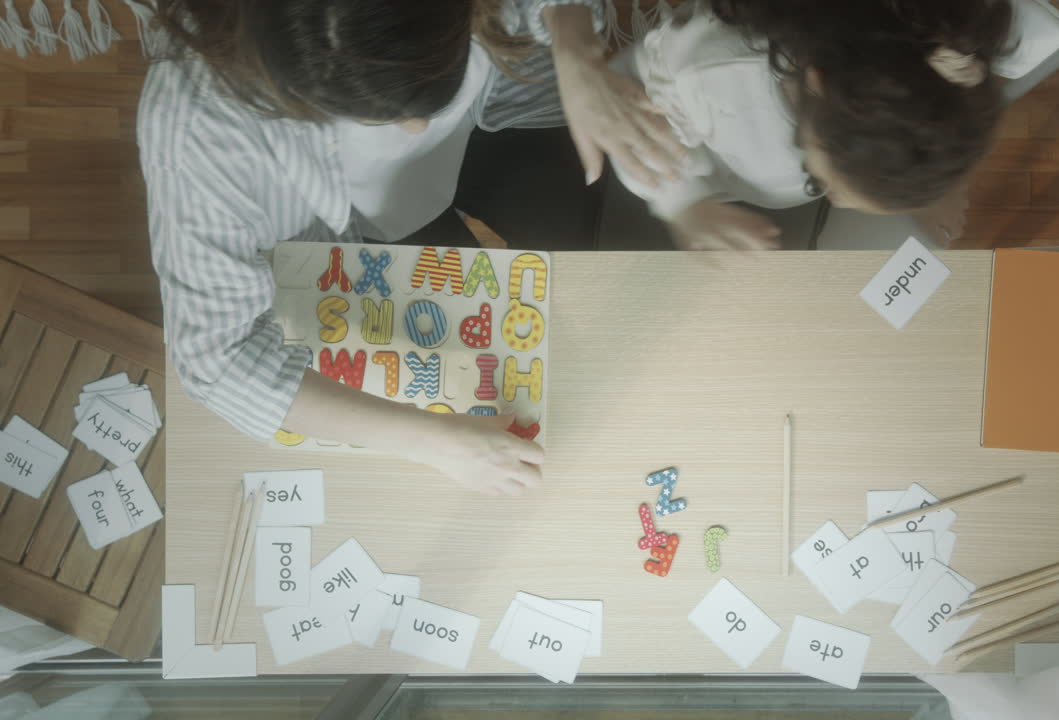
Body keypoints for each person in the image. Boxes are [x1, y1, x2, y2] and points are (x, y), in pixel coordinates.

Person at [140, 0, 679, 497]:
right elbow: (217, 358)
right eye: (379, 114)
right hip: (352, 231)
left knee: (585, 294)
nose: (416, 127)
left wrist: (575, 45)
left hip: (506, 110)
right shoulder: (195, 126)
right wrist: (434, 441)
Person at [611, 0, 1012, 250]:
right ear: (816, 86)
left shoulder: (922, 77)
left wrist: (921, 195)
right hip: (694, 172)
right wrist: (684, 205)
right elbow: (623, 108)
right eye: (828, 182)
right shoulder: (709, 74)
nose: (834, 200)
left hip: (757, 185)